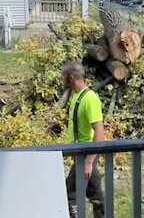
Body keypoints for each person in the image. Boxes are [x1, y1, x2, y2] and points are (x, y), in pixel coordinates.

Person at [62, 61, 105, 218]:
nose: (62, 79)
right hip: (80, 153)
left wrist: (88, 161)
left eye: (64, 77)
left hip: (86, 154)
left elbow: (99, 131)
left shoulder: (90, 98)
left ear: (72, 77)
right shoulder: (77, 96)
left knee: (70, 194)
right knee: (94, 192)